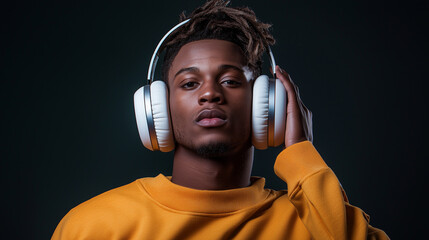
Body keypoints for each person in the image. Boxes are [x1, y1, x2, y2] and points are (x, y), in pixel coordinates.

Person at [52, 1, 389, 239]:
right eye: (189, 83)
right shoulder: (93, 226)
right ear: (158, 108)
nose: (210, 94)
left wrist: (301, 154)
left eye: (230, 81)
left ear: (268, 104)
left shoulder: (312, 224)